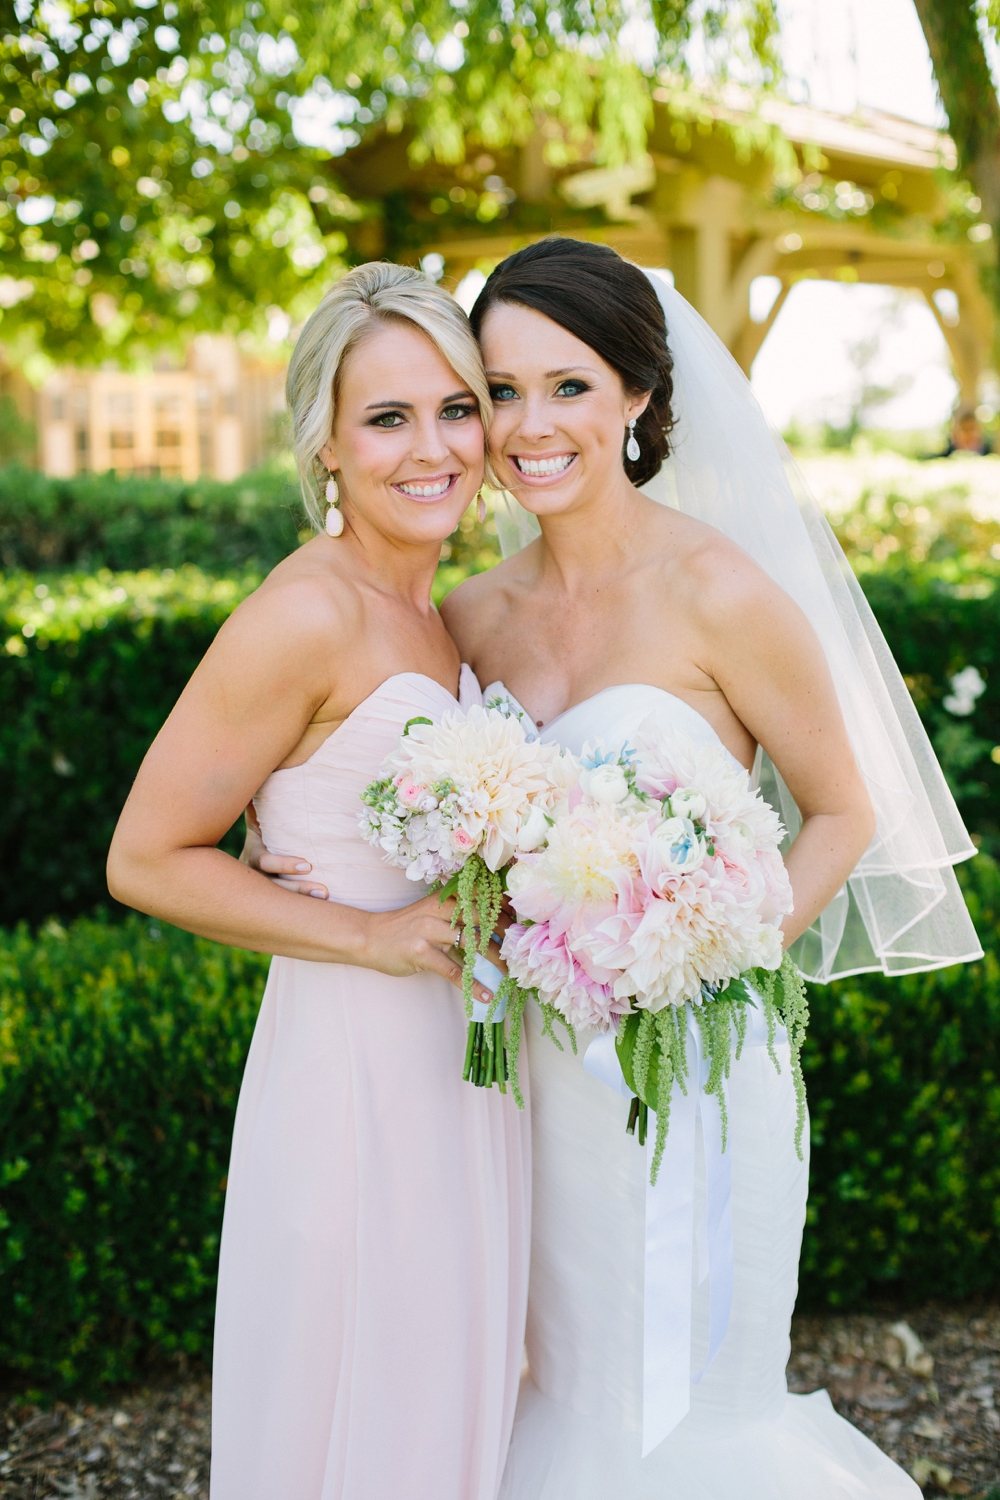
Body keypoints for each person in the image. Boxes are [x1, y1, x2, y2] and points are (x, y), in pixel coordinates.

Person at [438, 238, 980, 1498]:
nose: (529, 426)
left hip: (697, 1071)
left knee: (697, 1403)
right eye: (500, 390)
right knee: (556, 1388)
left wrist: (706, 952)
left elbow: (843, 812)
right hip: (525, 1084)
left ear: (636, 396)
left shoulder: (721, 592)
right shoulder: (468, 615)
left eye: (567, 386)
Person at [107, 262, 530, 1500]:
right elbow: (143, 857)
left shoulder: (436, 610)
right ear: (327, 445)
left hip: (461, 1068)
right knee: (362, 1388)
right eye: (387, 419)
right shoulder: (306, 613)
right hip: (354, 1071)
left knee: (444, 1385)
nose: (433, 447)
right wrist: (369, 938)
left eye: (456, 408)